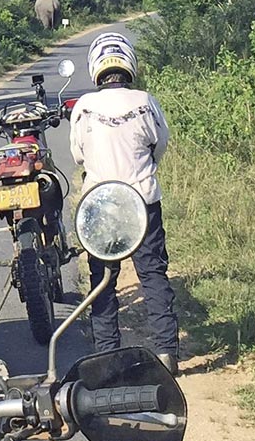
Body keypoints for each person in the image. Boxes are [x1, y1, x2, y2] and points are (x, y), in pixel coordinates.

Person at [69, 31, 180, 374]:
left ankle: (107, 356)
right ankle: (166, 352)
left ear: (96, 68)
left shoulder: (84, 106)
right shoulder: (146, 101)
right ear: (128, 64)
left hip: (101, 206)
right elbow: (159, 145)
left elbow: (77, 155)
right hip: (142, 200)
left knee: (103, 281)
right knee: (153, 274)